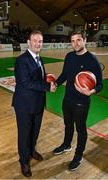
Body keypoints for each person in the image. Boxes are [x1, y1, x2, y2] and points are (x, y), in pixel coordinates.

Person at [52, 30, 103, 171]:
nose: (75, 43)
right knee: (68, 124)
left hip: (82, 102)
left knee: (81, 129)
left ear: (85, 40)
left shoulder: (92, 60)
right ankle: (66, 145)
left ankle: (78, 155)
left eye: (78, 40)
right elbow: (64, 74)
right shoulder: (69, 56)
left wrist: (91, 91)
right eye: (73, 41)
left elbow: (100, 85)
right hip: (67, 98)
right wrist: (56, 83)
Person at [12, 30, 55, 177]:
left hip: (38, 102)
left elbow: (39, 78)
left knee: (35, 131)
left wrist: (48, 80)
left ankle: (31, 150)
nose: (38, 43)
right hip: (24, 104)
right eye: (35, 40)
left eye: (40, 41)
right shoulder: (21, 60)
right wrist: (47, 87)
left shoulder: (39, 58)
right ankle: (24, 161)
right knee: (24, 134)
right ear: (28, 42)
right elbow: (26, 82)